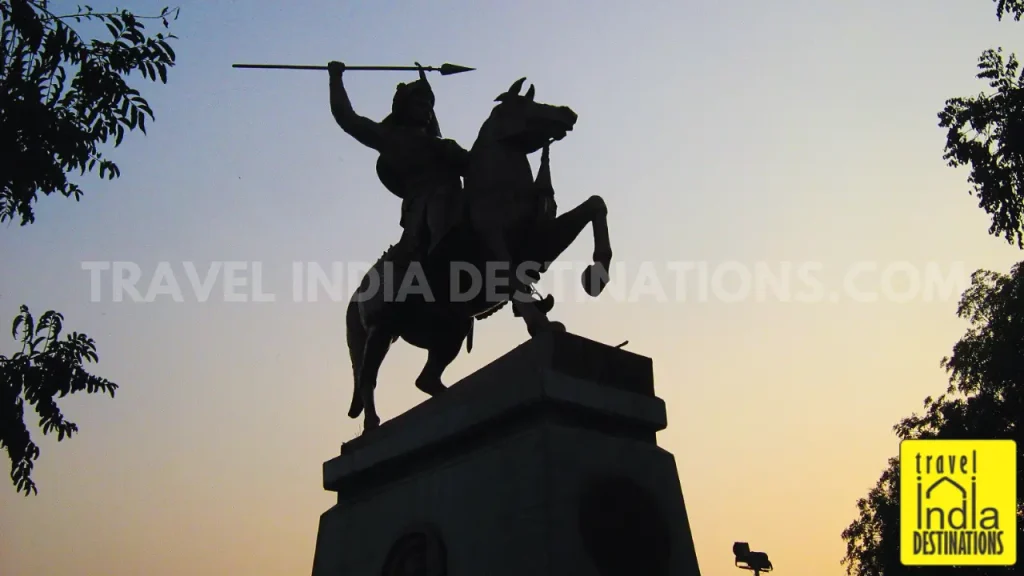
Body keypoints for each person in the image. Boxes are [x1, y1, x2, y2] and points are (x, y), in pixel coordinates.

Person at [328, 60, 467, 286]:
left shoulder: (443, 145)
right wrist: (336, 78)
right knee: (440, 208)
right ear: (405, 107)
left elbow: (475, 165)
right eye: (420, 104)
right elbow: (347, 117)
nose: (427, 111)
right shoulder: (391, 137)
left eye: (429, 106)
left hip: (455, 198)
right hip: (422, 206)